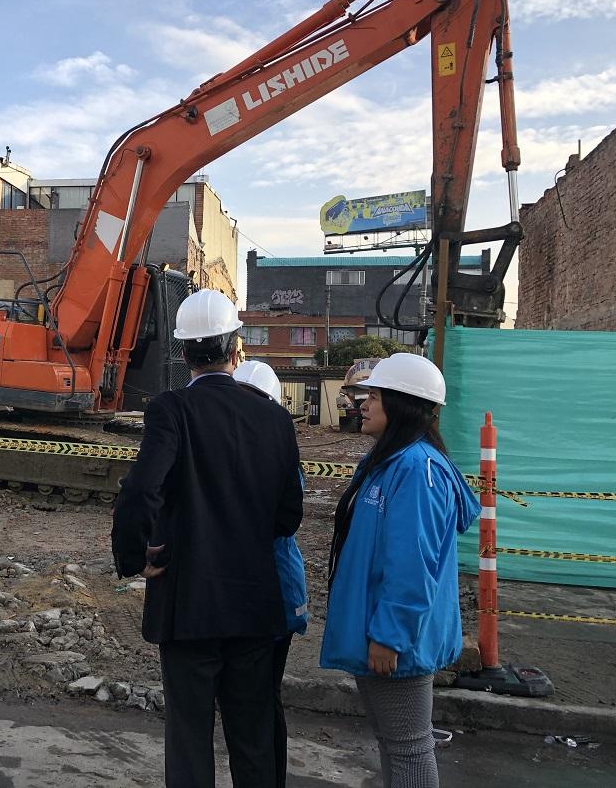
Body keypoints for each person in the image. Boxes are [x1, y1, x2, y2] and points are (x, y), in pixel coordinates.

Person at [111, 290, 304, 788]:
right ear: (236, 351)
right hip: (256, 607)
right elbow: (289, 516)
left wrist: (134, 557)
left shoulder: (171, 410)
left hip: (188, 605)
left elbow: (139, 491)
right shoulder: (276, 418)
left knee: (190, 741)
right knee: (254, 740)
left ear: (182, 354)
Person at [319, 353, 480, 788]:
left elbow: (413, 563)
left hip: (396, 639)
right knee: (395, 744)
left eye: (374, 395)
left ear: (403, 404)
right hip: (381, 631)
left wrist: (390, 635)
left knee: (409, 748)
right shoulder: (391, 462)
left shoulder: (416, 469)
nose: (362, 403)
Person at [233, 360, 309, 788]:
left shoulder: (271, 457)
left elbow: (284, 522)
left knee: (261, 701)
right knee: (260, 700)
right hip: (270, 591)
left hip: (273, 594)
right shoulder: (274, 451)